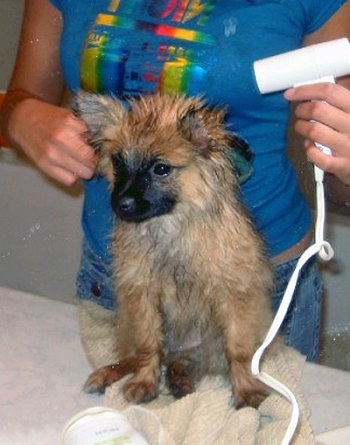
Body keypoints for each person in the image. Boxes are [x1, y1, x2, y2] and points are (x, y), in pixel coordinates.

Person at [1, 0, 350, 368]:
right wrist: (21, 117)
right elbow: (20, 98)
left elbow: (340, 185)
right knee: (125, 422)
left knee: (260, 421)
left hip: (253, 285)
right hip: (127, 275)